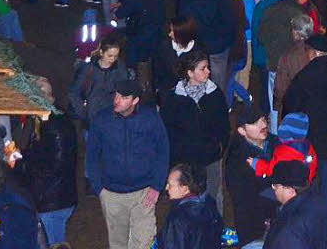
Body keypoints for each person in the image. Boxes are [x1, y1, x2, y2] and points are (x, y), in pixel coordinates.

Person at [281, 33, 327, 247]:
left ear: (313, 52)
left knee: (311, 172)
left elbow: (290, 104)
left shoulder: (305, 76)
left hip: (311, 135)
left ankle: (310, 211)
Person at [85, 79, 169, 249]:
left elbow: (163, 151)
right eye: (116, 95)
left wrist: (157, 185)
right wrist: (99, 188)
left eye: (123, 97)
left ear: (135, 100)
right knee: (118, 244)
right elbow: (92, 155)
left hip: (144, 192)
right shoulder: (102, 120)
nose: (117, 100)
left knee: (144, 242)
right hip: (112, 194)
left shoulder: (150, 118)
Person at [160, 50, 229, 211]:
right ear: (190, 73)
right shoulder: (173, 99)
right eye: (203, 68)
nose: (208, 71)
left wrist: (219, 147)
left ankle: (214, 227)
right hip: (184, 160)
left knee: (213, 194)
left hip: (210, 157)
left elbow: (224, 126)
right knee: (184, 198)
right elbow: (167, 130)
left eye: (207, 67)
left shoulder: (215, 95)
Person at [16, 78, 78, 245]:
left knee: (52, 243)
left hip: (53, 201)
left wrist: (23, 166)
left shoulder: (56, 126)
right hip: (51, 198)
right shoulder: (45, 120)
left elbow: (57, 166)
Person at [259, 0, 315, 131]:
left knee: (275, 100)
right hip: (297, 64)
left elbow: (261, 37)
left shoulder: (269, 10)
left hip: (274, 62)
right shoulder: (300, 12)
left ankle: (276, 132)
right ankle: (298, 131)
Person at [114, 0, 166, 97]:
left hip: (142, 20)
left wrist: (120, 12)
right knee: (150, 52)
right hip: (154, 15)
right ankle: (148, 86)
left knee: (136, 52)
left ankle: (138, 88)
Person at [224, 106, 278, 245]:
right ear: (242, 131)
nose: (263, 125)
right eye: (255, 123)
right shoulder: (237, 159)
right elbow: (242, 197)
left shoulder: (276, 144)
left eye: (263, 119)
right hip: (254, 224)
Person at [179, 0, 237, 95]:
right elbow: (229, 23)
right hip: (218, 48)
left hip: (198, 47)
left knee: (198, 78)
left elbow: (184, 20)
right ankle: (218, 105)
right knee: (218, 81)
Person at [256, 160, 326, 249]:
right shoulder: (315, 200)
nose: (273, 189)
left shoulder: (289, 230)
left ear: (290, 190)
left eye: (275, 185)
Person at [67, 31, 128, 130]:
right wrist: (83, 112)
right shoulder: (88, 69)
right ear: (101, 52)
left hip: (112, 119)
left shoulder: (120, 69)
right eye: (110, 56)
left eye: (116, 56)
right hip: (92, 119)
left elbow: (125, 90)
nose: (113, 59)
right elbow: (73, 92)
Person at [157, 163, 223, 249]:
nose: (166, 188)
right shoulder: (209, 206)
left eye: (170, 185)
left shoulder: (177, 218)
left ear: (184, 188)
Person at [252, 0, 285, 124]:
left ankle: (265, 121)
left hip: (261, 56)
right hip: (276, 56)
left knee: (265, 91)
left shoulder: (260, 5)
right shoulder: (283, 6)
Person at [272, 12, 316, 118]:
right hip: (316, 107)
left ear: (296, 33)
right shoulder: (318, 51)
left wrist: (277, 106)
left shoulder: (288, 57)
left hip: (295, 108)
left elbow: (280, 87)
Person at [153, 16, 203, 103]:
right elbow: (157, 69)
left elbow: (201, 77)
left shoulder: (198, 51)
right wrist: (158, 89)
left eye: (173, 31)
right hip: (167, 93)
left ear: (182, 34)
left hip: (189, 96)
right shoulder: (164, 46)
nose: (169, 34)